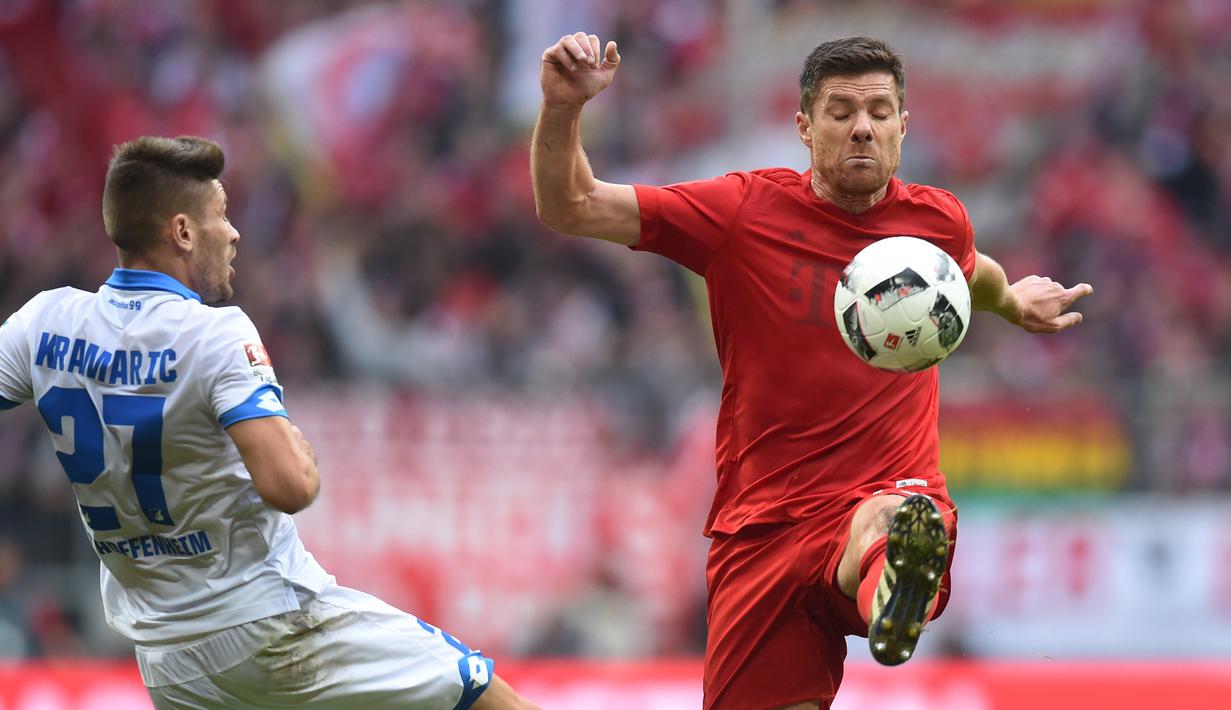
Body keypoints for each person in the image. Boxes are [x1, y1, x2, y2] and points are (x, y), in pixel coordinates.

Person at [531, 33, 1092, 710]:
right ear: (803, 126)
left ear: (902, 126)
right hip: (761, 526)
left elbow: (970, 275)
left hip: (881, 492)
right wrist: (562, 106)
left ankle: (893, 572)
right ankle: (889, 567)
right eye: (840, 112)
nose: (862, 128)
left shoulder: (935, 223)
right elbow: (573, 205)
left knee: (892, 515)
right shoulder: (741, 213)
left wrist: (1012, 301)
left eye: (879, 112)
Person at [0, 136, 537, 710]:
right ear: (182, 232)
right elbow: (290, 486)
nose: (233, 233)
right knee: (480, 691)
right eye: (220, 216)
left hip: (167, 657)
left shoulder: (44, 323)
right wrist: (301, 449)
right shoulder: (214, 334)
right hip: (273, 624)